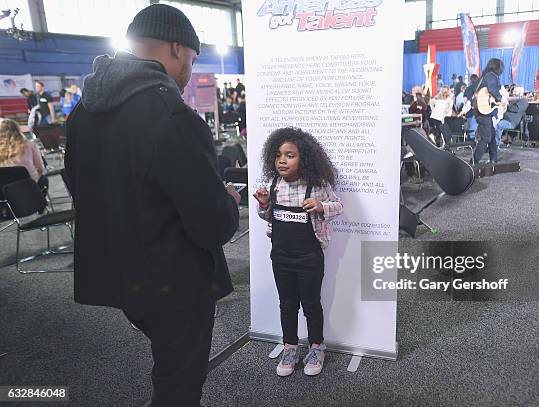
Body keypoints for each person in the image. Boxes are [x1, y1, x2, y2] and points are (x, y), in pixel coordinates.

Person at [64, 5, 241, 407]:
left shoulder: (82, 112)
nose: (189, 72)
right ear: (177, 48)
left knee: (168, 371)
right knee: (179, 381)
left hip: (119, 274)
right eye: (193, 61)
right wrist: (227, 202)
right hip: (175, 282)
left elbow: (79, 186)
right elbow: (211, 225)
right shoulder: (172, 115)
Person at [253, 127, 343, 377]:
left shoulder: (317, 185)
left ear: (305, 158)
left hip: (309, 257)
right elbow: (267, 216)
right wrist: (263, 204)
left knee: (311, 304)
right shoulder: (274, 185)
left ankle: (316, 347)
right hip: (280, 256)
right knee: (287, 304)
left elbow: (339, 206)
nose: (282, 160)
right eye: (279, 155)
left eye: (290, 155)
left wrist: (321, 205)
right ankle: (290, 346)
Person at [473, 58, 505, 164]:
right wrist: (500, 98)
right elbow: (493, 90)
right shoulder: (491, 76)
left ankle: (493, 158)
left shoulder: (484, 76)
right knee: (486, 137)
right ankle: (474, 160)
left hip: (484, 112)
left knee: (492, 134)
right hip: (484, 112)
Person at [0, 119, 47, 190]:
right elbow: (40, 168)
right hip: (30, 185)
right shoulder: (30, 145)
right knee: (44, 180)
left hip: (4, 189)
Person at [459, 74, 479, 140]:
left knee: (469, 126)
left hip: (469, 111)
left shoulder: (467, 88)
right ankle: (473, 141)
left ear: (470, 80)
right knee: (474, 127)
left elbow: (465, 101)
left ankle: (468, 141)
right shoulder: (479, 88)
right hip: (478, 110)